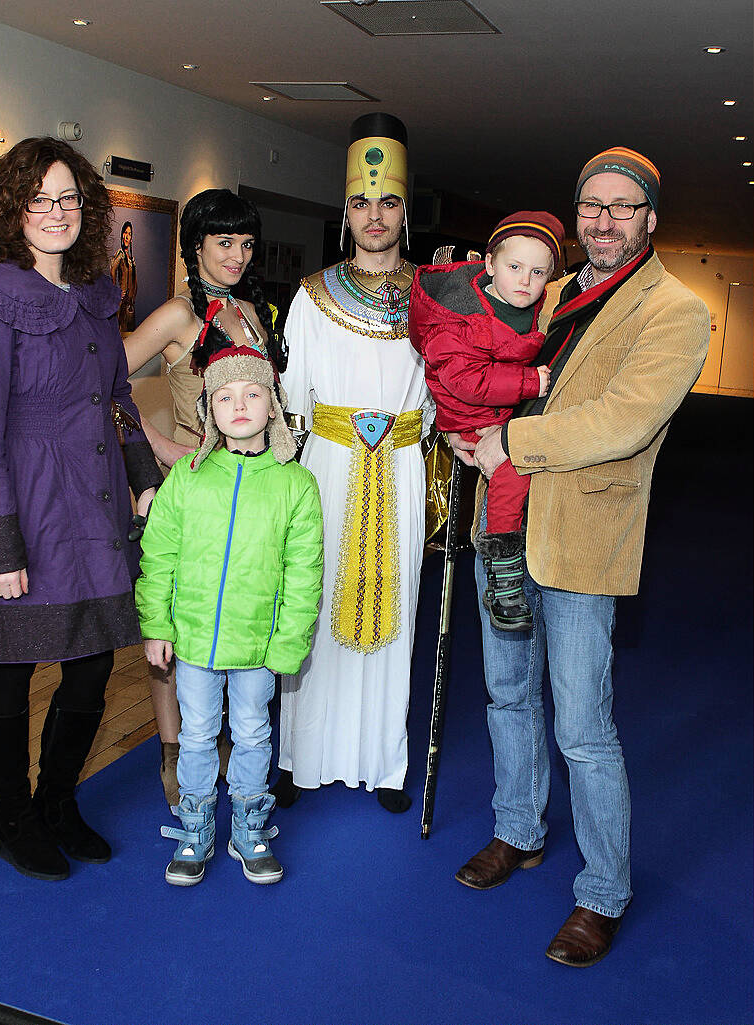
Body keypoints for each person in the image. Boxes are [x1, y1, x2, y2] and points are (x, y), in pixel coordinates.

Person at [451, 147, 709, 966]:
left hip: (581, 537)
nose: (602, 221)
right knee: (504, 695)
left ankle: (601, 892)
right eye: (589, 207)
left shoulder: (675, 309)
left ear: (649, 219)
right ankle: (516, 830)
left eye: (620, 208)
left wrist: (504, 440)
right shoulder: (550, 289)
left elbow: (620, 421)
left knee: (584, 727)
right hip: (506, 524)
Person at [0, 136, 163, 882]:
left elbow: (119, 399)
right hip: (26, 507)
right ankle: (12, 817)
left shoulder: (98, 298)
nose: (55, 211)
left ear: (88, 208)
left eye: (69, 197)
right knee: (9, 668)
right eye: (39, 197)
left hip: (96, 502)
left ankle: (58, 802)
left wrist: (143, 475)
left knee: (92, 663)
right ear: (12, 208)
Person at [273, 113, 434, 814]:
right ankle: (299, 757)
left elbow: (444, 393)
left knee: (395, 606)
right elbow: (288, 401)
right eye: (362, 203)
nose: (375, 216)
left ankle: (384, 762)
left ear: (404, 210)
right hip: (329, 466)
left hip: (399, 465)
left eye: (388, 202)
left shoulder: (436, 298)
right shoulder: (310, 297)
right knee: (312, 597)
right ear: (346, 211)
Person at [136, 346, 323, 886]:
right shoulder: (188, 479)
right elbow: (160, 556)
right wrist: (157, 625)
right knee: (196, 734)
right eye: (225, 396)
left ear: (273, 405)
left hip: (257, 646)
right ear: (209, 411)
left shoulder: (294, 485)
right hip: (193, 642)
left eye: (252, 393)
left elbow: (303, 572)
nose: (239, 405)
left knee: (252, 733)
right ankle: (195, 826)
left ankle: (249, 826)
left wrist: (288, 643)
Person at [124, 189, 285, 806]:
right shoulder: (175, 316)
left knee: (240, 609)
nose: (237, 255)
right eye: (223, 242)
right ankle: (174, 750)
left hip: (252, 492)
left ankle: (223, 739)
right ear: (195, 247)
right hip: (193, 493)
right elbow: (103, 383)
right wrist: (163, 449)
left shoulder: (253, 312)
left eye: (246, 243)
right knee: (179, 619)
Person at [409, 211, 565, 631]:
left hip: (497, 410)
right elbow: (466, 380)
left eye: (537, 272)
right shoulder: (457, 313)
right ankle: (502, 564)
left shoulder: (529, 307)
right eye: (514, 267)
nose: (524, 281)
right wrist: (530, 381)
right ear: (490, 263)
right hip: (472, 416)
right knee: (512, 471)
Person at [110, 220, 137, 332]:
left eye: (129, 234)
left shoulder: (130, 259)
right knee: (118, 331)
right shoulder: (120, 254)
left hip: (129, 302)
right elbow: (112, 270)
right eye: (125, 233)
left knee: (128, 331)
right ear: (122, 235)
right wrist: (116, 291)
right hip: (121, 302)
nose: (127, 236)